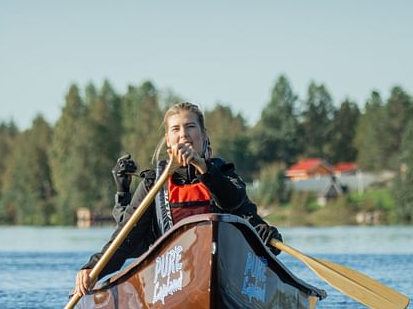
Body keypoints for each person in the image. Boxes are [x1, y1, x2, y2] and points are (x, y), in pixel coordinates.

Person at [74, 101, 281, 297]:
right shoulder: (153, 184)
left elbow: (238, 206)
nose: (183, 134)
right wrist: (94, 266)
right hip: (168, 279)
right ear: (168, 140)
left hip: (223, 273)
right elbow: (127, 236)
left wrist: (203, 167)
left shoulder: (224, 175)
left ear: (203, 134)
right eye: (176, 129)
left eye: (190, 126)